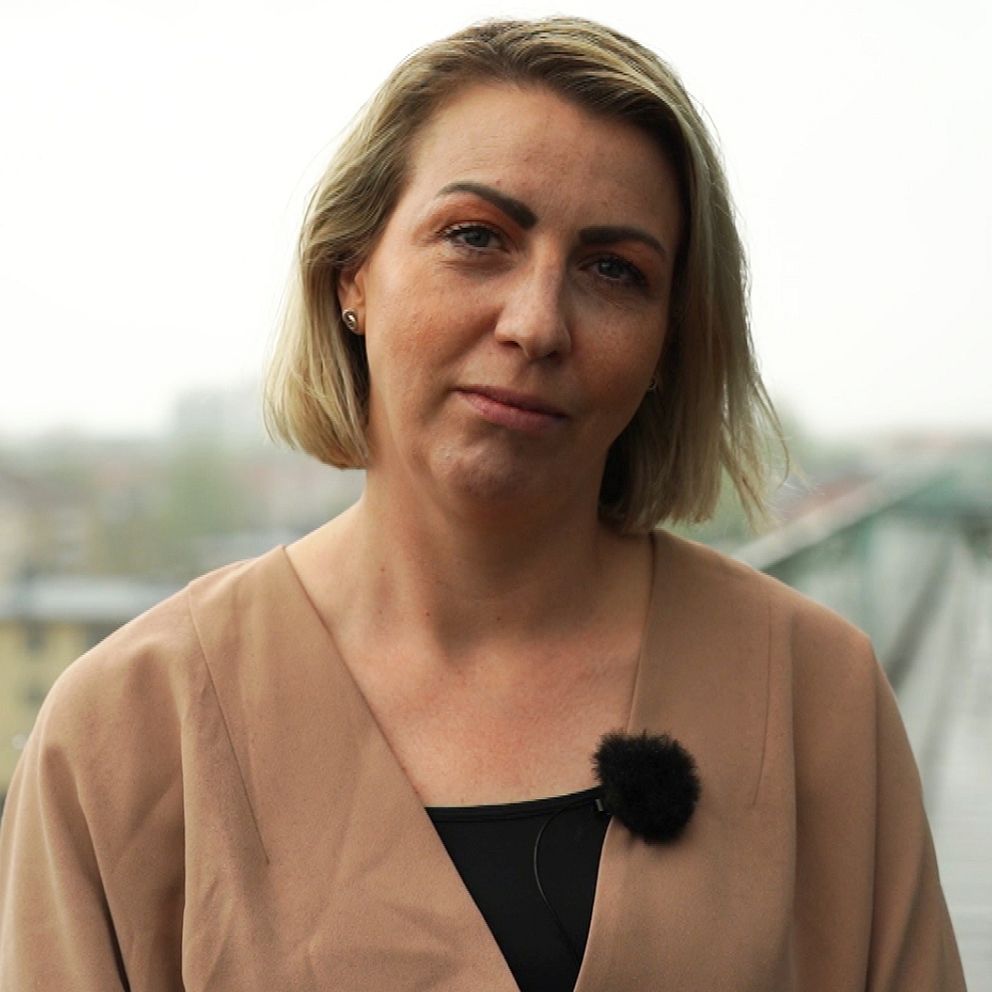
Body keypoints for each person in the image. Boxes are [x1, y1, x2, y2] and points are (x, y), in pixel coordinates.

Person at [0, 16, 965, 992]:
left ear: (667, 346)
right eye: (475, 237)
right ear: (352, 274)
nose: (536, 323)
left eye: (613, 270)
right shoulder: (127, 728)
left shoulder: (812, 693)